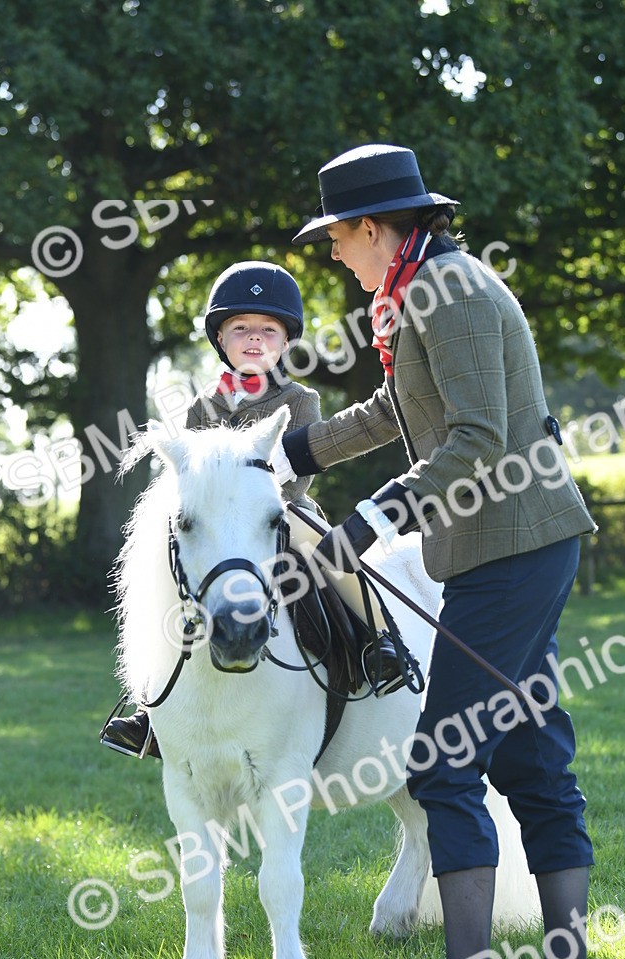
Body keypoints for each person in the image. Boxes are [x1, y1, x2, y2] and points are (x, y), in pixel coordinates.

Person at [277, 144, 598, 959]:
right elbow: (395, 413)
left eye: (337, 238)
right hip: (508, 547)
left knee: (444, 762)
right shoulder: (422, 288)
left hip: (510, 547)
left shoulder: (444, 292)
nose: (334, 253)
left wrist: (368, 523)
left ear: (374, 228)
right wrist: (289, 453)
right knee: (531, 756)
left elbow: (476, 437)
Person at [101, 259, 402, 760]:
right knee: (168, 578)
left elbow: (301, 474)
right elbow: (192, 476)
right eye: (241, 329)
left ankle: (377, 642)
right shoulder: (203, 406)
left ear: (286, 341)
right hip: (221, 526)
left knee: (333, 559)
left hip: (284, 512)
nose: (255, 339)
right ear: (222, 339)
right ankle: (149, 710)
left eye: (268, 330)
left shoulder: (299, 399)